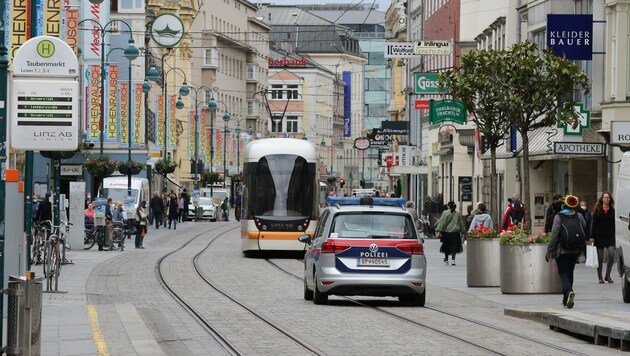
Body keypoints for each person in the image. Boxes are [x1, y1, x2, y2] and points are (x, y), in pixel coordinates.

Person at [546, 194, 586, 309]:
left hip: (561, 250)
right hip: (575, 249)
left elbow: (554, 235)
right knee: (570, 272)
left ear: (564, 205)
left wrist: (549, 250)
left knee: (563, 273)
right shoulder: (578, 215)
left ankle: (568, 291)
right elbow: (583, 227)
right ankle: (566, 299)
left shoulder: (559, 216)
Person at [591, 192, 616, 284]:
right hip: (599, 236)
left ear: (610, 199)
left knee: (611, 253)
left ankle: (607, 275)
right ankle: (600, 276)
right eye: (605, 197)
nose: (606, 199)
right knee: (600, 257)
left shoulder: (613, 211)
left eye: (608, 197)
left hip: (610, 237)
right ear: (602, 199)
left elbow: (614, 225)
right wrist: (592, 236)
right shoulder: (598, 210)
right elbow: (594, 224)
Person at [435, 201, 466, 266]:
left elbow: (442, 222)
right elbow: (461, 223)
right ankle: (453, 260)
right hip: (455, 233)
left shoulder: (445, 213)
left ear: (448, 206)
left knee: (446, 246)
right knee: (454, 246)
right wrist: (463, 231)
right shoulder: (457, 214)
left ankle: (446, 259)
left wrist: (438, 230)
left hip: (446, 233)